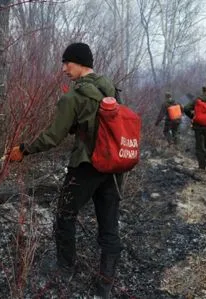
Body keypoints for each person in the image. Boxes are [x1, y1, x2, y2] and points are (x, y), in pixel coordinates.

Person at [8, 42, 123, 298]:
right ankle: (105, 282)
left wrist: (24, 149)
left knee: (64, 214)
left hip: (86, 165)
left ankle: (65, 270)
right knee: (109, 224)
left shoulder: (74, 97)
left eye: (67, 63)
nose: (63, 69)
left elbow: (53, 136)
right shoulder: (111, 89)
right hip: (115, 167)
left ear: (80, 63)